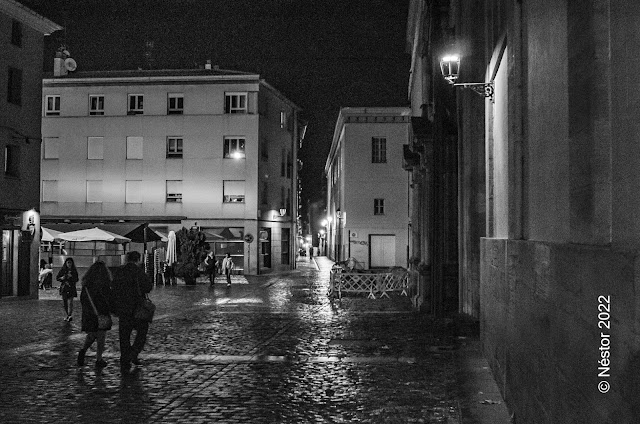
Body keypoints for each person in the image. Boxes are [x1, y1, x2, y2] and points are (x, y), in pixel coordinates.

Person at [110, 251, 152, 374]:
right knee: (142, 333)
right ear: (137, 259)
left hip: (123, 309)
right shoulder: (139, 272)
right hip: (137, 308)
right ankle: (133, 353)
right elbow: (148, 287)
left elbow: (113, 289)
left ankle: (125, 358)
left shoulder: (119, 271)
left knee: (124, 335)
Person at [77, 261, 112, 368]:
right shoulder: (104, 285)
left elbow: (83, 299)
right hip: (101, 314)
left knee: (92, 334)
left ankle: (83, 350)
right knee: (101, 336)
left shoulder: (86, 285)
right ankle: (99, 359)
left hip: (89, 314)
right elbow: (107, 300)